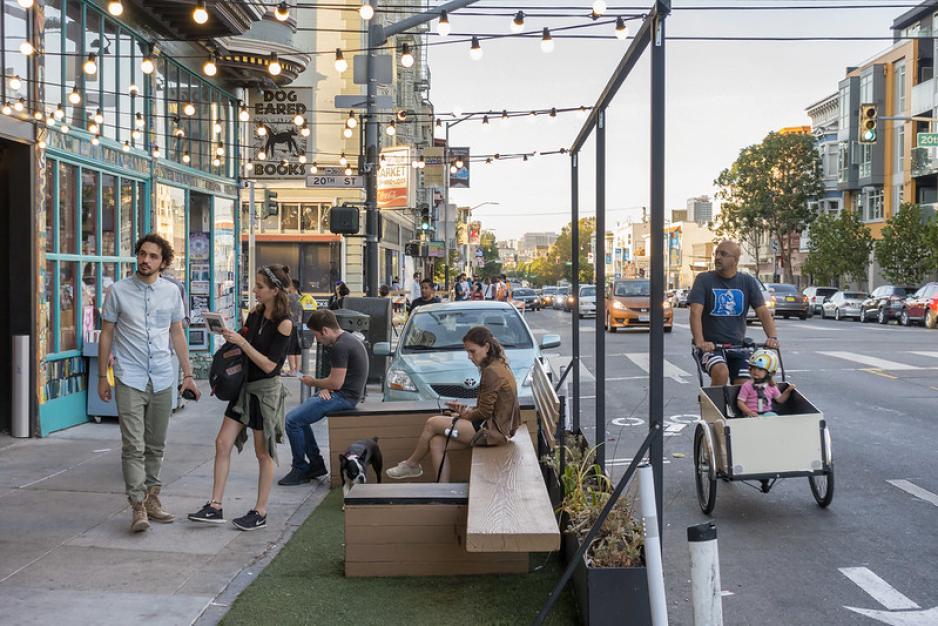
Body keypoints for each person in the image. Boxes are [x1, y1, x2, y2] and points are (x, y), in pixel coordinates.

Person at [98, 233, 201, 533]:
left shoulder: (171, 293)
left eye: (153, 256)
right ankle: (137, 504)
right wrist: (103, 378)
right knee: (133, 445)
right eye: (142, 253)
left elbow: (177, 333)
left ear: (163, 262)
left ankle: (153, 497)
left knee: (156, 444)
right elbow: (106, 333)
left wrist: (189, 375)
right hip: (128, 376)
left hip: (161, 377)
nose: (145, 259)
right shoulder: (117, 291)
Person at [187, 265, 293, 530]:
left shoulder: (284, 323)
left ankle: (261, 511)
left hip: (264, 392)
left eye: (259, 286)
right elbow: (244, 346)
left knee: (263, 453)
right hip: (244, 388)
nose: (255, 290)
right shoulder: (255, 314)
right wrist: (229, 337)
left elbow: (271, 366)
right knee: (222, 443)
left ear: (274, 290)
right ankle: (215, 505)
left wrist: (243, 344)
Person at [386, 326, 520, 482]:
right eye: (467, 352)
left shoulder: (491, 371)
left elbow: (484, 413)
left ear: (487, 347)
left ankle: (411, 464)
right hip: (498, 430)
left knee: (432, 423)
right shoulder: (499, 365)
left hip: (491, 432)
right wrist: (464, 411)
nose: (469, 356)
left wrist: (464, 414)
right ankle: (443, 489)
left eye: (472, 351)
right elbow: (489, 408)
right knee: (437, 443)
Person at [278, 310, 369, 485]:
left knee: (292, 421)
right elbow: (337, 381)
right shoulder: (348, 340)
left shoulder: (340, 346)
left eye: (316, 335)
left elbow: (336, 383)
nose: (317, 340)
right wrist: (326, 387)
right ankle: (315, 464)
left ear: (325, 331)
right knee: (300, 418)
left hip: (345, 398)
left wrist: (314, 382)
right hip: (345, 394)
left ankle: (301, 468)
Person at [688, 240, 779, 387]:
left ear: (735, 260)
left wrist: (772, 337)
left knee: (746, 383)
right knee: (721, 372)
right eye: (716, 253)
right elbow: (695, 312)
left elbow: (762, 312)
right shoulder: (704, 280)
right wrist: (700, 342)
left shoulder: (747, 282)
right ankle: (715, 408)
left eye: (723, 254)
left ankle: (739, 410)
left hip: (738, 347)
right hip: (712, 347)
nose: (717, 257)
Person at [736, 349, 795, 417]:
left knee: (774, 417)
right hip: (752, 413)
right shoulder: (747, 385)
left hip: (767, 413)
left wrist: (788, 391)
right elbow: (740, 402)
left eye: (760, 369)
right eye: (753, 368)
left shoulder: (771, 386)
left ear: (770, 373)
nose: (755, 371)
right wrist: (748, 412)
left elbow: (779, 400)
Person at [286, 278, 304, 376]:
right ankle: (297, 370)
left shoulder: (288, 298)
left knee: (290, 348)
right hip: (300, 326)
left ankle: (292, 370)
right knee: (298, 348)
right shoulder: (302, 297)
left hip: (291, 325)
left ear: (292, 286)